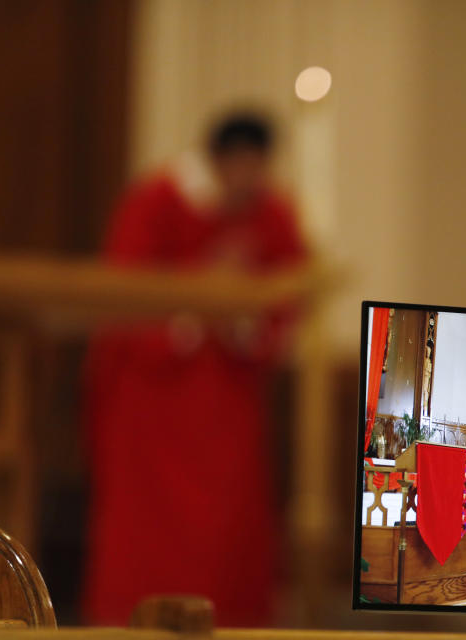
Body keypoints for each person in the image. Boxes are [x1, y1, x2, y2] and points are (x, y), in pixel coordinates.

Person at [83, 113, 308, 626]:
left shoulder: (271, 213)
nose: (248, 180)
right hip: (154, 401)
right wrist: (202, 297)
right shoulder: (156, 202)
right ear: (219, 160)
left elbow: (284, 298)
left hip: (227, 403)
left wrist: (239, 316)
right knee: (148, 536)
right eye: (240, 167)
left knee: (226, 539)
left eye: (258, 168)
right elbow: (121, 296)